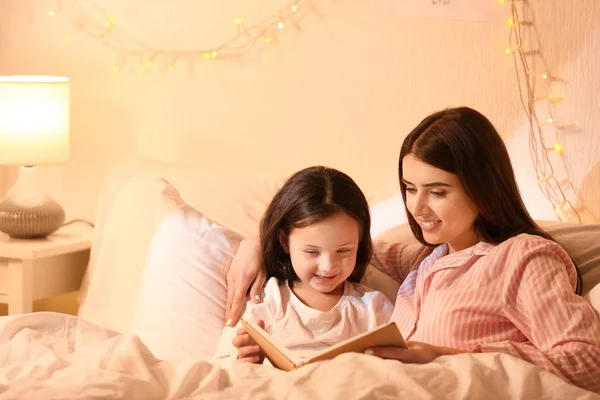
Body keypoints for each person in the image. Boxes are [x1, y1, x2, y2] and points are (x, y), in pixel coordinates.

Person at [224, 107, 600, 393]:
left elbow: (589, 361)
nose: (417, 209)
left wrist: (445, 356)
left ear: (482, 188)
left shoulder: (523, 258)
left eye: (437, 192)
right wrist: (259, 242)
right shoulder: (423, 260)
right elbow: (342, 244)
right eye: (409, 188)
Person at [212, 166, 394, 364]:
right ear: (284, 241)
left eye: (343, 251)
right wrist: (244, 360)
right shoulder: (264, 300)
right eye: (312, 252)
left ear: (359, 243)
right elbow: (221, 367)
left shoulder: (374, 307)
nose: (328, 266)